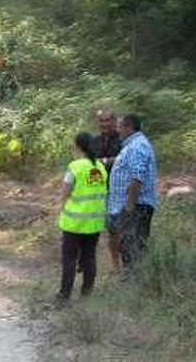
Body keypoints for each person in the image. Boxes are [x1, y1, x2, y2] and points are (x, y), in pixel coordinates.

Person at [57, 132, 108, 303]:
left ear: (78, 146)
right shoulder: (100, 167)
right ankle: (86, 295)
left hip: (74, 223)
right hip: (94, 223)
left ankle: (64, 296)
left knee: (69, 260)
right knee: (89, 258)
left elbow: (65, 192)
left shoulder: (75, 166)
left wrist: (62, 210)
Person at [107, 113, 158, 270]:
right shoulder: (133, 145)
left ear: (129, 127)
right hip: (133, 206)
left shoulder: (137, 146)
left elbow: (137, 177)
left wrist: (129, 205)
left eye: (120, 126)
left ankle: (135, 282)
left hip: (136, 206)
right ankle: (134, 280)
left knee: (133, 247)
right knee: (130, 246)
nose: (118, 129)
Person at [92, 108, 122, 272]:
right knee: (111, 230)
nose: (104, 124)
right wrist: (107, 161)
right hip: (100, 190)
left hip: (120, 190)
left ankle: (129, 264)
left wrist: (102, 161)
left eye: (107, 120)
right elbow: (89, 163)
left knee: (122, 229)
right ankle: (115, 266)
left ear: (115, 121)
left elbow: (122, 160)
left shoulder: (123, 139)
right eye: (101, 121)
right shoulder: (94, 141)